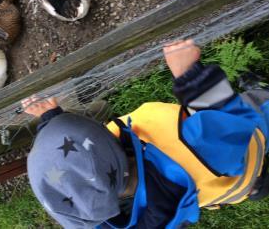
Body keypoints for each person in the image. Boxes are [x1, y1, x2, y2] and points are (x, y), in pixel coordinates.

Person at [22, 39, 269, 229]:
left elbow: (76, 167)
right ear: (104, 144)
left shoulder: (105, 203)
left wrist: (51, 119)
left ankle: (256, 188)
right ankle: (260, 96)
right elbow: (231, 123)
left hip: (218, 187)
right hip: (242, 149)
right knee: (257, 110)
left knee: (239, 186)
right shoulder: (191, 150)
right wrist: (190, 76)